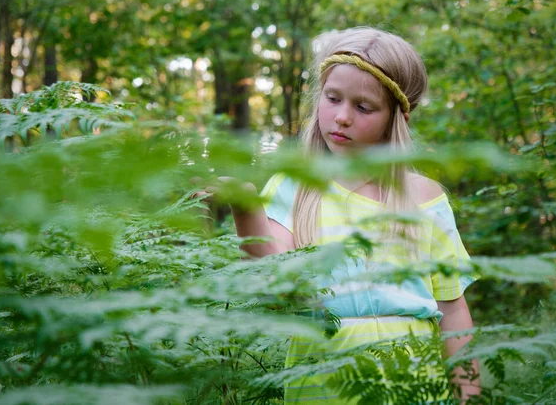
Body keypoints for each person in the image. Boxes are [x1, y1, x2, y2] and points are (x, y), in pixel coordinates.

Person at [196, 27, 480, 403]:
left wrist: (469, 396)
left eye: (363, 107)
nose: (342, 117)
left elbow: (452, 308)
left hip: (415, 386)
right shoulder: (294, 188)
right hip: (323, 385)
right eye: (333, 98)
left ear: (396, 118)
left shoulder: (424, 197)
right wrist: (245, 207)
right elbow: (273, 281)